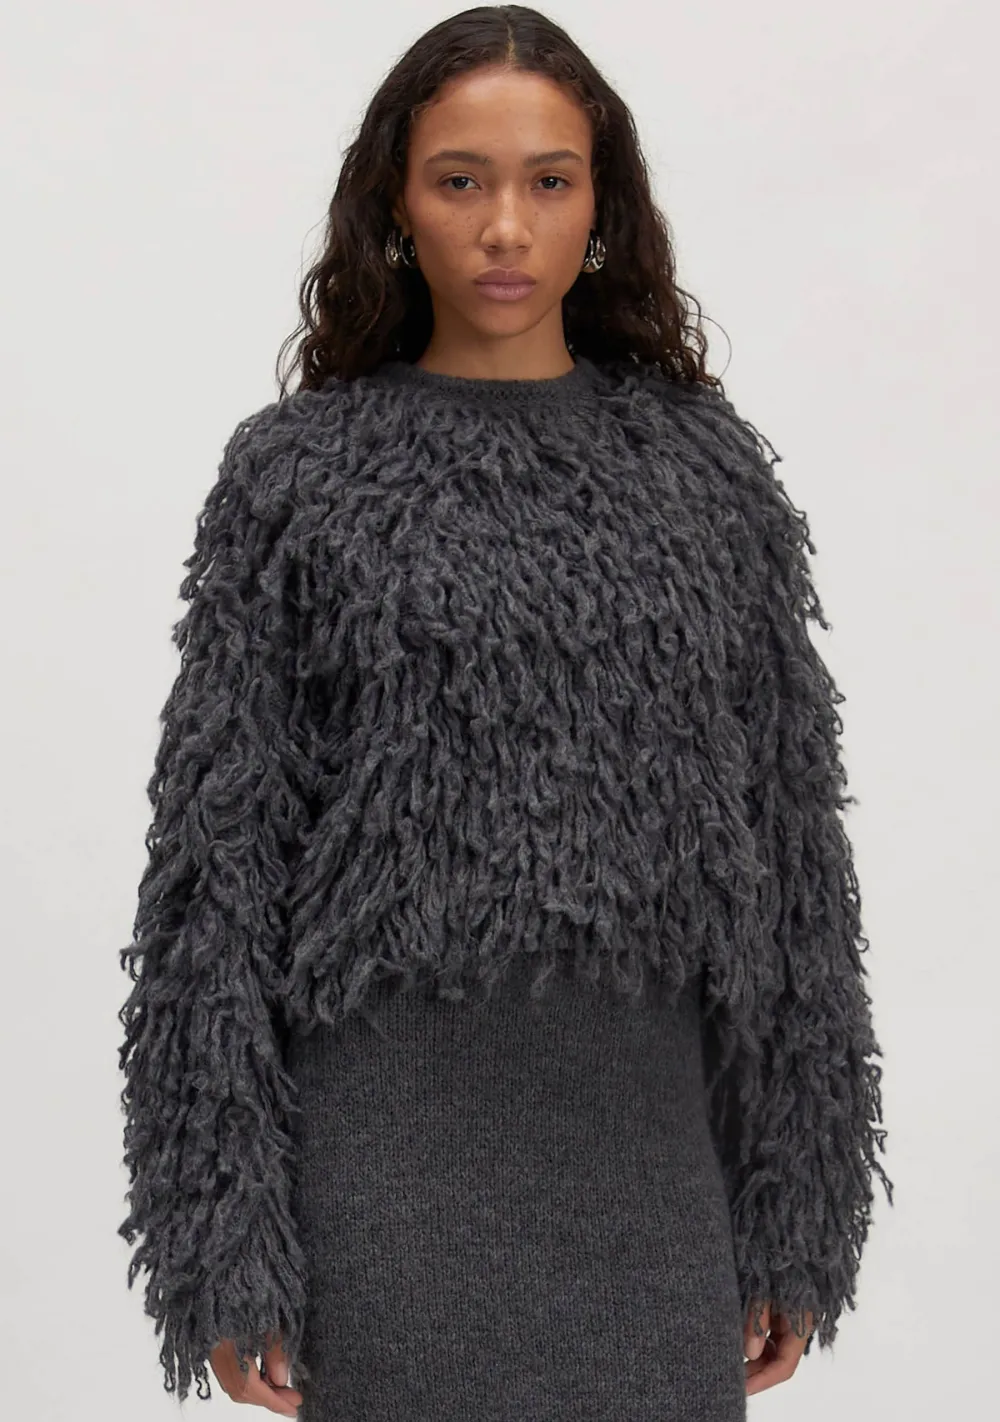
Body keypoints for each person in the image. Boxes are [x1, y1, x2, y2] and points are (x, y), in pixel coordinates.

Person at [116, 6, 894, 1420]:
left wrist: (799, 1199)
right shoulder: (295, 479)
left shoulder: (706, 480)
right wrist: (223, 1235)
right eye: (459, 179)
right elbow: (212, 881)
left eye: (549, 180)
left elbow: (792, 856)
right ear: (394, 204)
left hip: (649, 1163)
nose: (504, 227)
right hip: (385, 1167)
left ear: (603, 208)